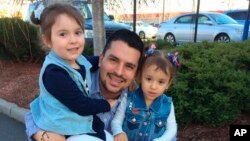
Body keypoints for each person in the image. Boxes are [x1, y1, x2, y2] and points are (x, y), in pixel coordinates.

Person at [25, 13, 145, 141]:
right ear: (101, 59)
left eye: (129, 66)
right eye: (113, 60)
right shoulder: (70, 78)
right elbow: (38, 109)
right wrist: (41, 135)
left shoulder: (139, 100)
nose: (119, 72)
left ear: (136, 73)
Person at [27, 3, 115, 141]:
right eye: (63, 34)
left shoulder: (78, 59)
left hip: (78, 124)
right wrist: (106, 105)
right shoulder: (54, 73)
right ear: (48, 40)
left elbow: (94, 61)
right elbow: (80, 105)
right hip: (65, 129)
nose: (73, 40)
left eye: (78, 32)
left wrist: (109, 60)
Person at [111, 49, 179, 141]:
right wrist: (118, 132)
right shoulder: (129, 99)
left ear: (168, 84)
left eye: (161, 82)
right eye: (148, 79)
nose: (153, 87)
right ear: (140, 76)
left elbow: (171, 129)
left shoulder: (167, 104)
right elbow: (116, 121)